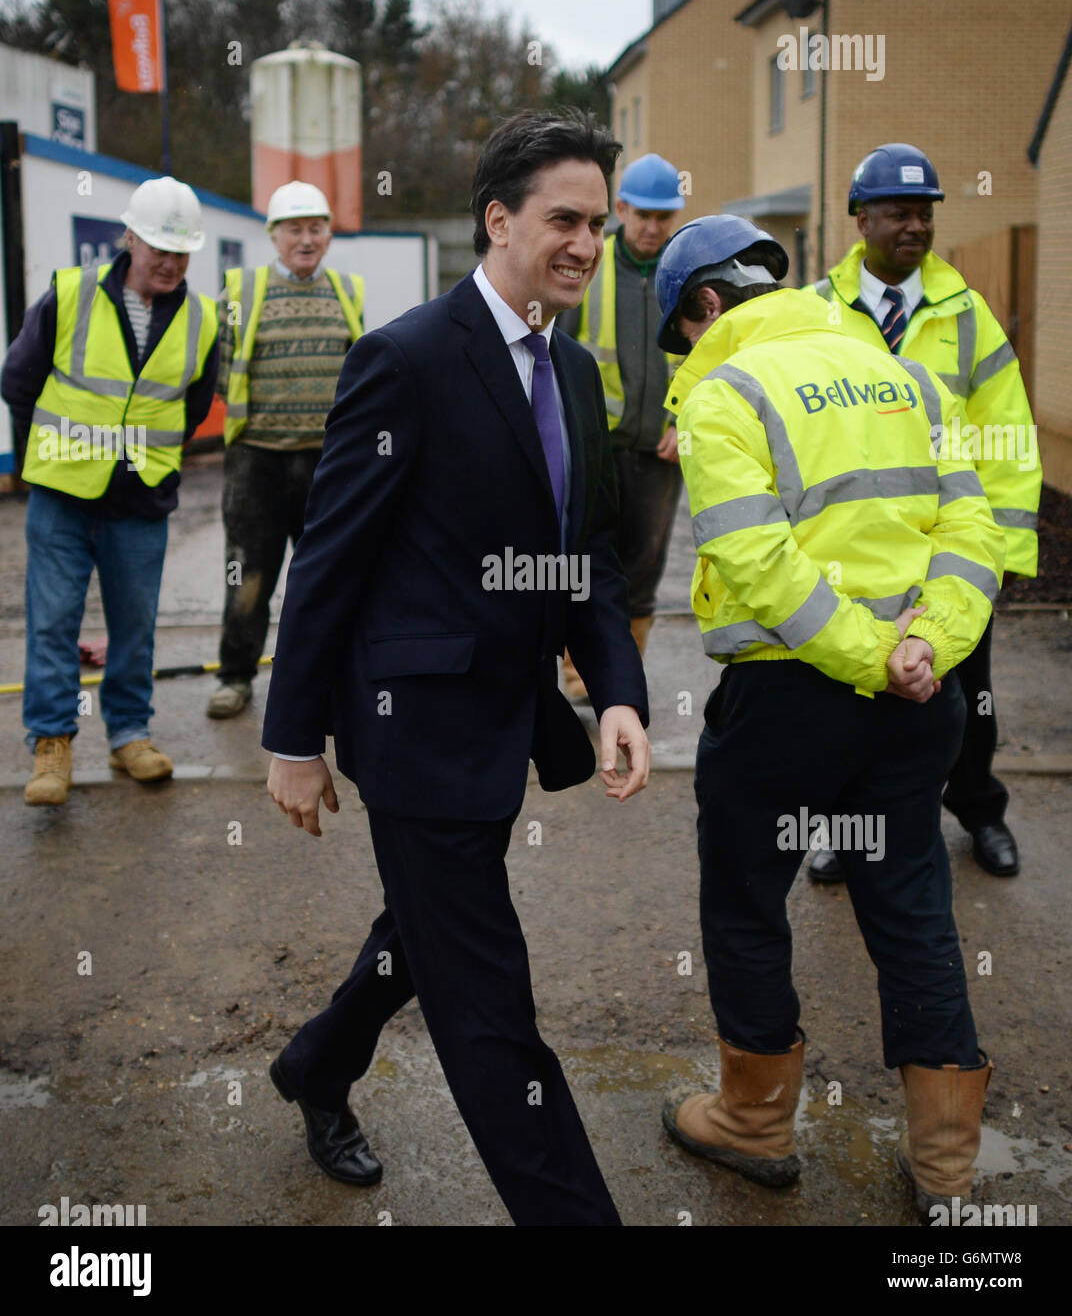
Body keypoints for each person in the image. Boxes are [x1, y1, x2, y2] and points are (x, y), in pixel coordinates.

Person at [261, 110, 651, 1226]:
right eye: (563, 219)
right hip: (416, 731)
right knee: (489, 1008)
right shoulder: (408, 358)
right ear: (498, 220)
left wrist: (615, 690)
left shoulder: (574, 372)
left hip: (507, 723)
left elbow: (587, 558)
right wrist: (293, 740)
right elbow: (329, 560)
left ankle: (315, 1066)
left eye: (598, 223)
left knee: (422, 938)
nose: (584, 243)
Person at [653, 216, 1004, 1217]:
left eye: (683, 332)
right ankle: (943, 1171)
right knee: (912, 910)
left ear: (707, 306)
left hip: (784, 702)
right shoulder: (910, 382)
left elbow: (760, 565)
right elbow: (973, 532)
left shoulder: (727, 392)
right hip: (916, 698)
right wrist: (919, 647)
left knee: (745, 902)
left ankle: (756, 1127)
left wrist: (864, 659)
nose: (687, 354)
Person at [807, 144, 1041, 880]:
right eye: (899, 212)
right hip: (857, 547)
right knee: (855, 698)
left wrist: (1002, 554)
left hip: (950, 548)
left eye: (926, 214)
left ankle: (981, 813)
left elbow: (1006, 436)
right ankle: (850, 834)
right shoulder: (818, 312)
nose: (915, 226)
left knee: (970, 698)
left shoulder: (966, 314)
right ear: (860, 217)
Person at [1, 177, 219, 806]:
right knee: (51, 623)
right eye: (158, 247)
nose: (169, 262)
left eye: (181, 252)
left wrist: (154, 464)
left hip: (141, 500)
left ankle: (129, 734)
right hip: (63, 496)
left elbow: (193, 406)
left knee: (135, 626)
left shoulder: (201, 319)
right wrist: (40, 460)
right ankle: (52, 742)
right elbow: (19, 382)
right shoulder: (70, 295)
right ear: (129, 238)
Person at [206, 182, 364, 718]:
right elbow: (223, 368)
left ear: (328, 234)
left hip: (329, 462)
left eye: (315, 227)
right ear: (273, 236)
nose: (306, 238)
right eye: (294, 228)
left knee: (328, 577)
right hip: (257, 461)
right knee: (248, 574)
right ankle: (234, 676)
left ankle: (333, 679)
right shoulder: (239, 291)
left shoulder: (349, 290)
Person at [556, 152, 685, 699]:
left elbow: (711, 357)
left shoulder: (687, 272)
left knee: (645, 567)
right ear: (623, 209)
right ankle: (578, 675)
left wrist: (687, 421)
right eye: (644, 215)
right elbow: (556, 353)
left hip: (661, 452)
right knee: (583, 558)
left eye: (665, 217)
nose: (654, 228)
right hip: (597, 449)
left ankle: (621, 681)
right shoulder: (590, 265)